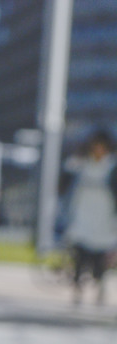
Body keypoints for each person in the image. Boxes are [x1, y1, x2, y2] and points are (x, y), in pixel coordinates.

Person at [63, 128, 117, 305]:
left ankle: (100, 284)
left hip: (104, 217)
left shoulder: (112, 167)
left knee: (100, 258)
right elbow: (66, 181)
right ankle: (77, 289)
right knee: (80, 255)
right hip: (82, 215)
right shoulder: (81, 165)